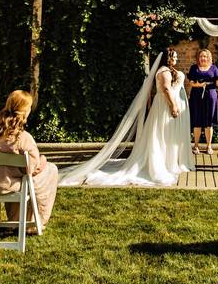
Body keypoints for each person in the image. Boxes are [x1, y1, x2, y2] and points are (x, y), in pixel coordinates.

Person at [58, 47, 195, 186]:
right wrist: (173, 105)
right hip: (164, 106)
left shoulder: (169, 70)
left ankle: (170, 161)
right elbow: (166, 89)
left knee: (167, 134)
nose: (176, 59)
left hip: (167, 105)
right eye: (175, 57)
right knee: (162, 135)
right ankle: (161, 164)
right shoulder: (164, 71)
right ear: (168, 58)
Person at [0, 90, 58, 229]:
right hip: (10, 186)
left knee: (16, 174)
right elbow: (31, 168)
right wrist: (42, 161)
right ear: (25, 111)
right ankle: (34, 222)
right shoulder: (22, 137)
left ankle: (13, 219)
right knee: (51, 169)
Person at [186, 48, 218, 155]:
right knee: (197, 121)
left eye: (205, 56)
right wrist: (200, 85)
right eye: (201, 56)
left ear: (209, 58)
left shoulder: (214, 68)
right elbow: (191, 83)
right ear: (198, 58)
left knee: (208, 123)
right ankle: (195, 146)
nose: (203, 58)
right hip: (196, 97)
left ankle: (209, 146)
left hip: (210, 97)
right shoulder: (194, 68)